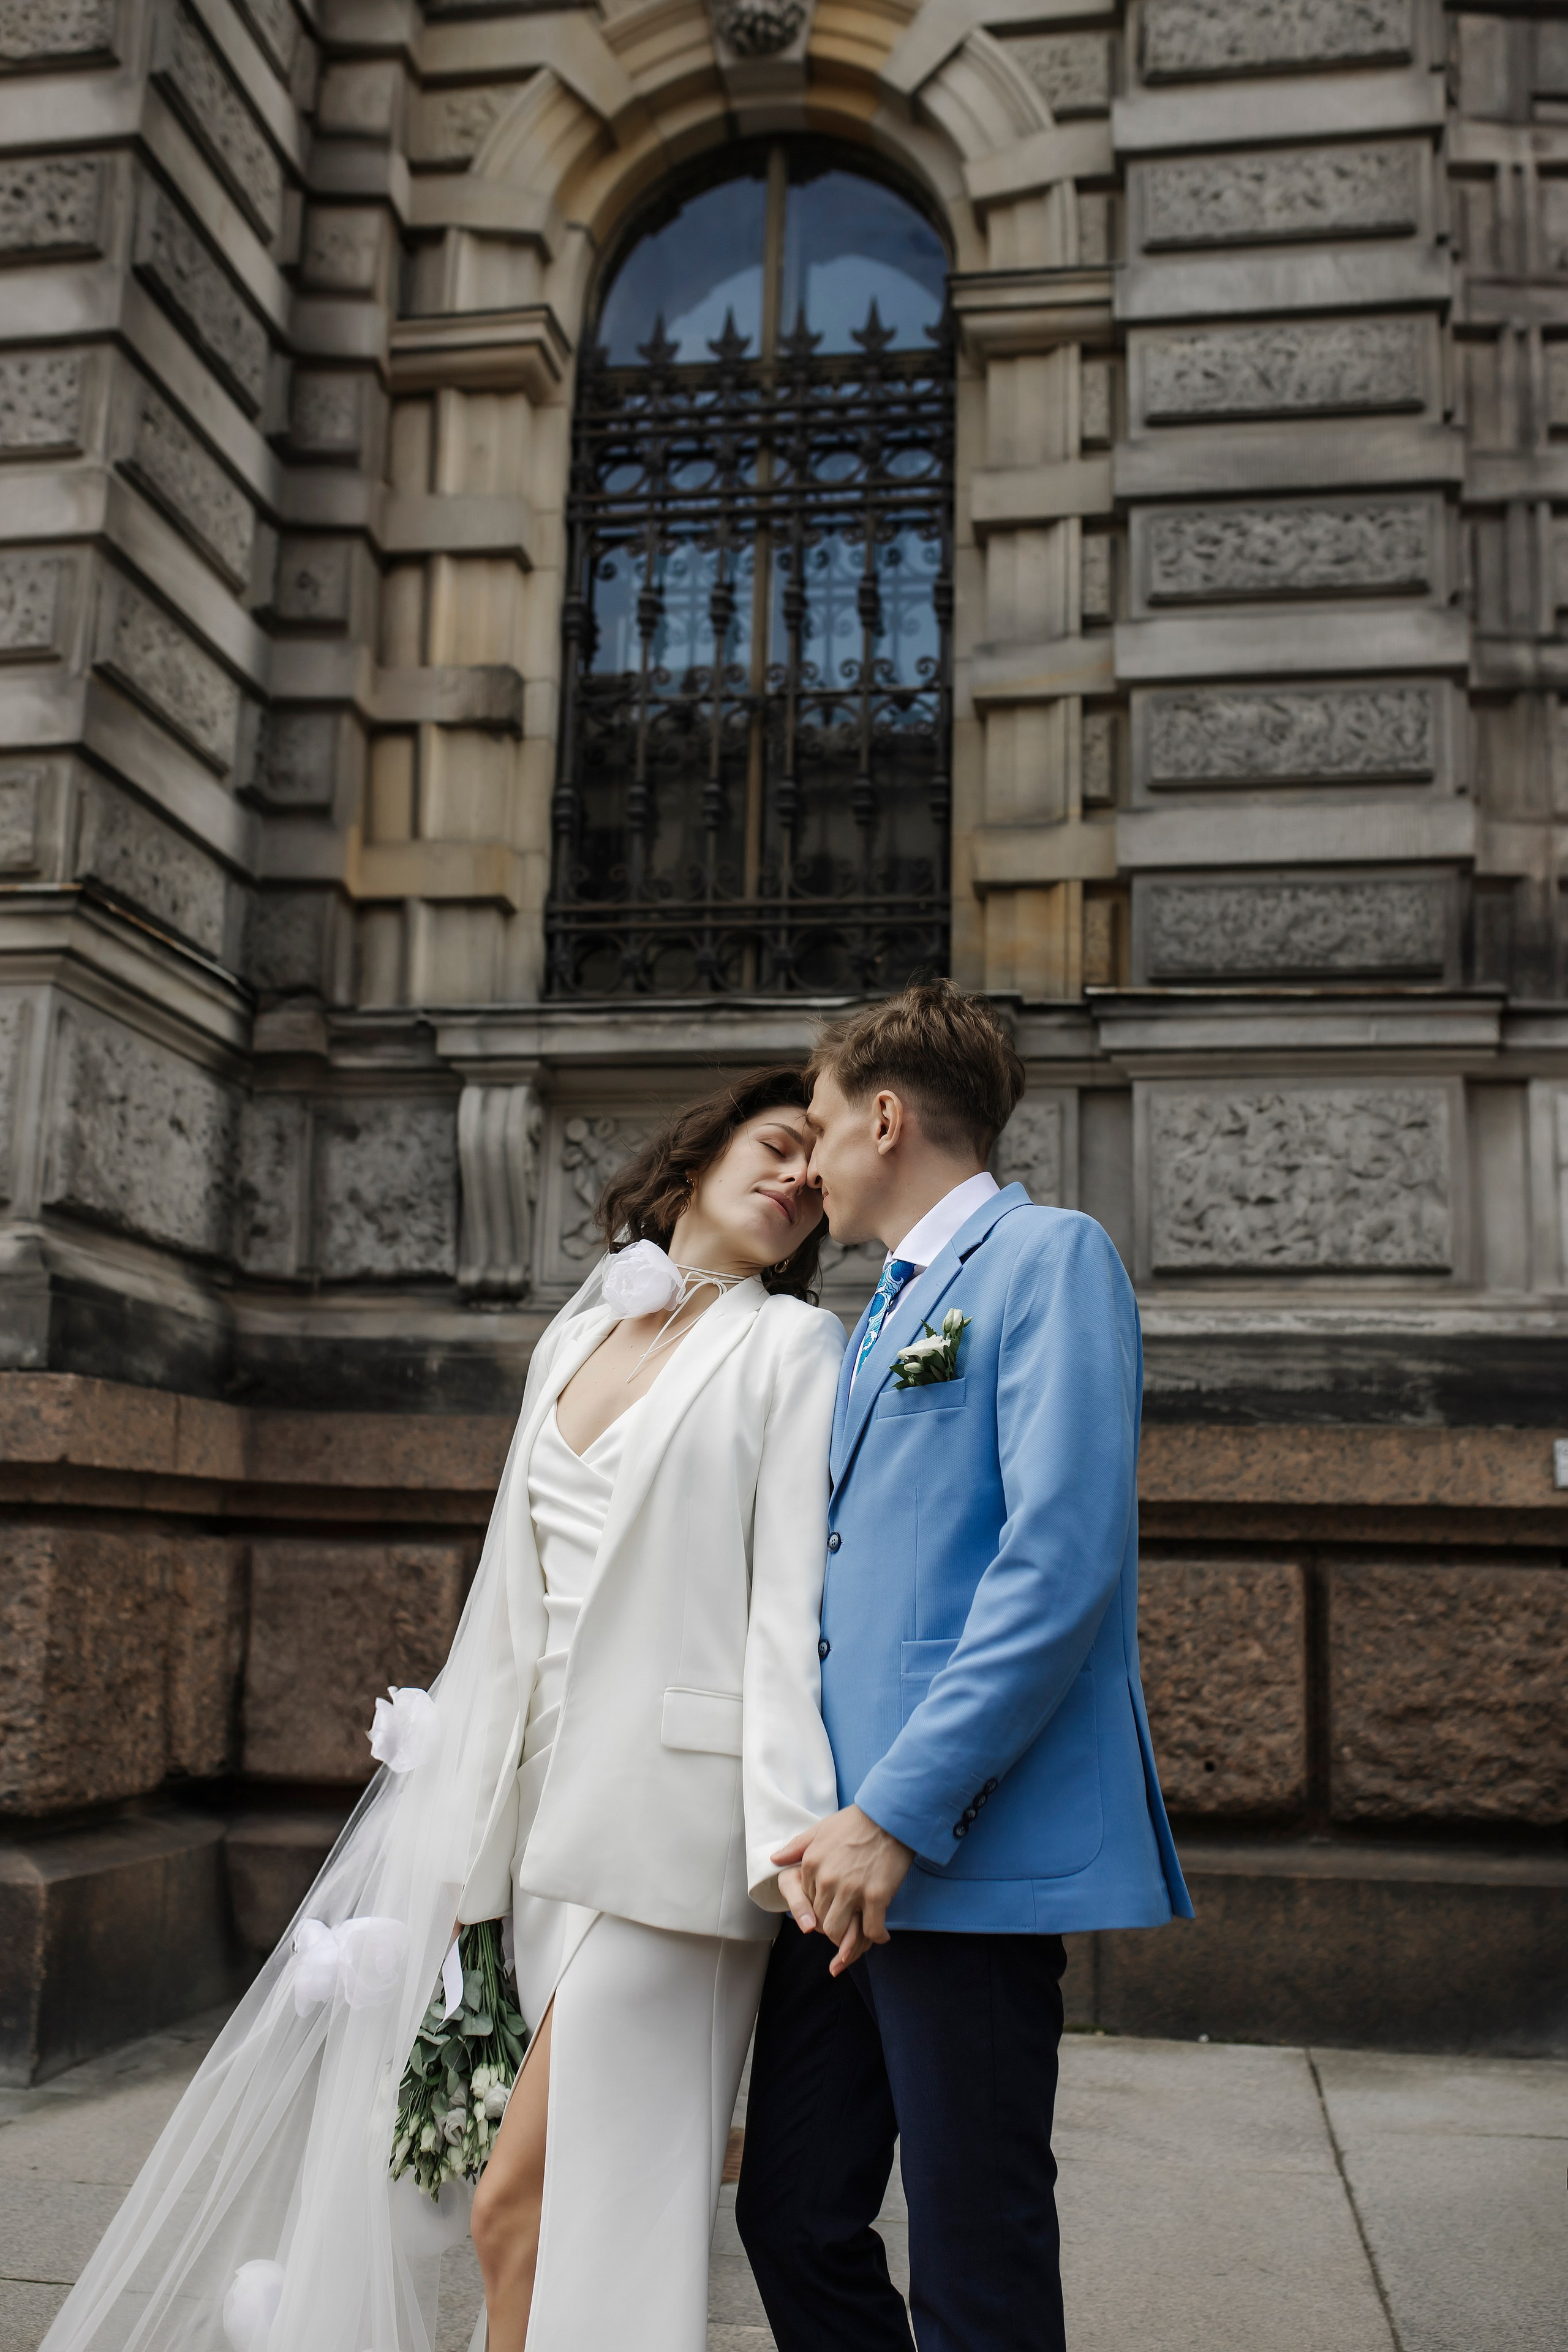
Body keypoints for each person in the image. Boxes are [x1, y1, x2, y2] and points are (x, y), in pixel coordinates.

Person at [40, 1067, 844, 2352]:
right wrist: (465, 1828)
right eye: (777, 1143)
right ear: (699, 1152)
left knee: (545, 2207)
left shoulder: (794, 1348)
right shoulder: (573, 1337)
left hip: (676, 1833)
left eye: (817, 1177)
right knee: (514, 2219)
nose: (797, 1180)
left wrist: (788, 1845)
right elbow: (510, 1612)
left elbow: (788, 1609)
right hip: (531, 1817)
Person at [737, 980, 1193, 2352]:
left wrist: (899, 1813)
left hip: (951, 1853)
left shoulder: (1047, 1257)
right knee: (793, 2217)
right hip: (840, 1861)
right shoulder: (877, 1308)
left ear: (885, 1116)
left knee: (973, 2244)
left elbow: (1055, 1568)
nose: (806, 1161)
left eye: (817, 1123)